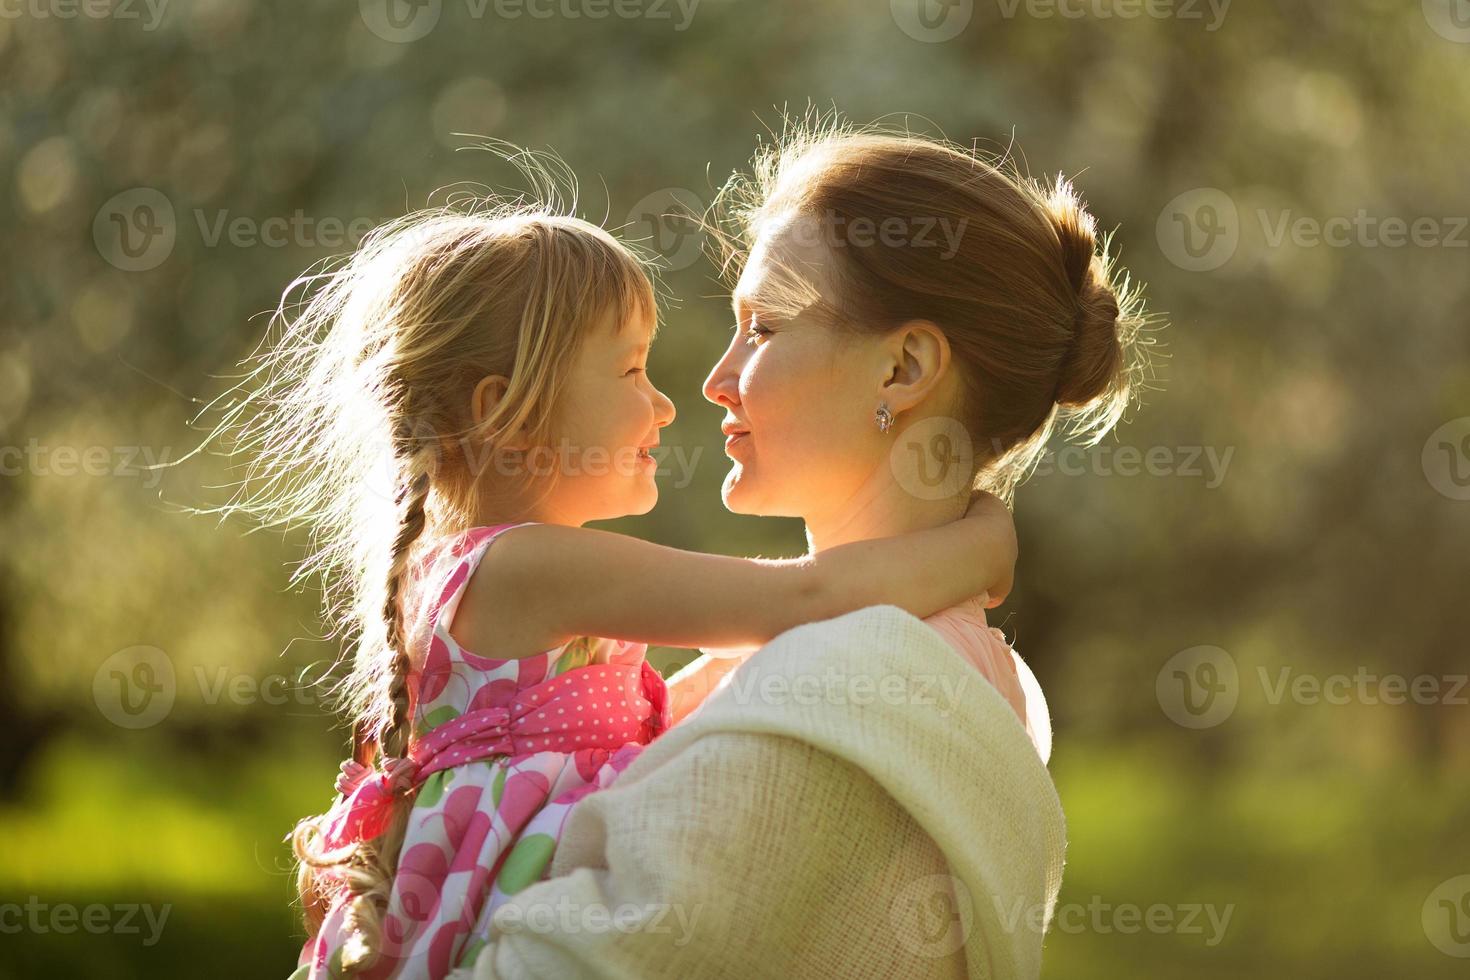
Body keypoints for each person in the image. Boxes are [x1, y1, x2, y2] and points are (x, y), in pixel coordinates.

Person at [202, 197, 1019, 979]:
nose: (666, 404)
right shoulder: (525, 565)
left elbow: (697, 677)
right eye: (630, 371)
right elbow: (800, 599)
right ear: (510, 417)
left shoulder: (489, 571)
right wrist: (982, 543)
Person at [448, 122, 1156, 978]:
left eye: (765, 326)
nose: (713, 379)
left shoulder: (843, 708)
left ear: (902, 371)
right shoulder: (931, 676)